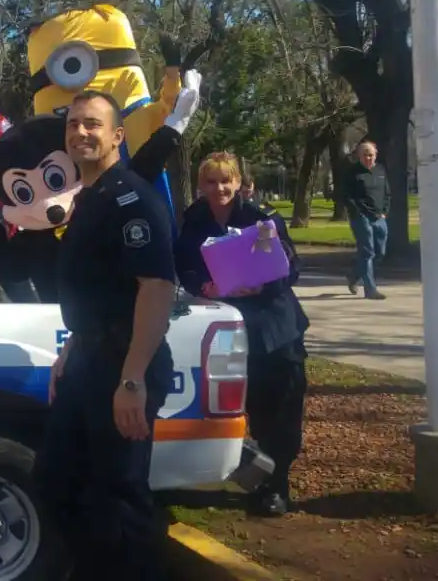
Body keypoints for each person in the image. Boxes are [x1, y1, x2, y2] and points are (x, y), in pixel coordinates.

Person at [34, 90, 175, 580]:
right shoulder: (91, 200)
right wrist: (69, 353)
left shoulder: (133, 198)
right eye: (73, 124)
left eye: (92, 124)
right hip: (87, 362)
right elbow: (99, 290)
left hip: (124, 363)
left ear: (118, 135)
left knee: (120, 498)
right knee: (57, 482)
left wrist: (133, 377)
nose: (80, 133)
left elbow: (156, 287)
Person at [174, 152, 310, 517]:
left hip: (274, 327)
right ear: (201, 184)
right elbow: (183, 265)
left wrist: (260, 284)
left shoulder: (261, 217)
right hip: (225, 324)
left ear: (237, 182)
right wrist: (206, 284)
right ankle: (249, 475)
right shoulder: (193, 220)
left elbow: (290, 267)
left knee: (278, 408)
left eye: (225, 181)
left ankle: (278, 485)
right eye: (211, 181)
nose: (219, 188)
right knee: (236, 407)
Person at [344, 140, 389, 300]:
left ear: (375, 155)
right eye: (365, 155)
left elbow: (386, 193)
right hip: (362, 218)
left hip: (379, 217)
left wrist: (384, 211)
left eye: (370, 155)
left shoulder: (380, 170)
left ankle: (355, 276)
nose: (368, 158)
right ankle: (370, 289)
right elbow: (347, 197)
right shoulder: (353, 173)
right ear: (359, 156)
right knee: (367, 251)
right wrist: (358, 213)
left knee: (380, 252)